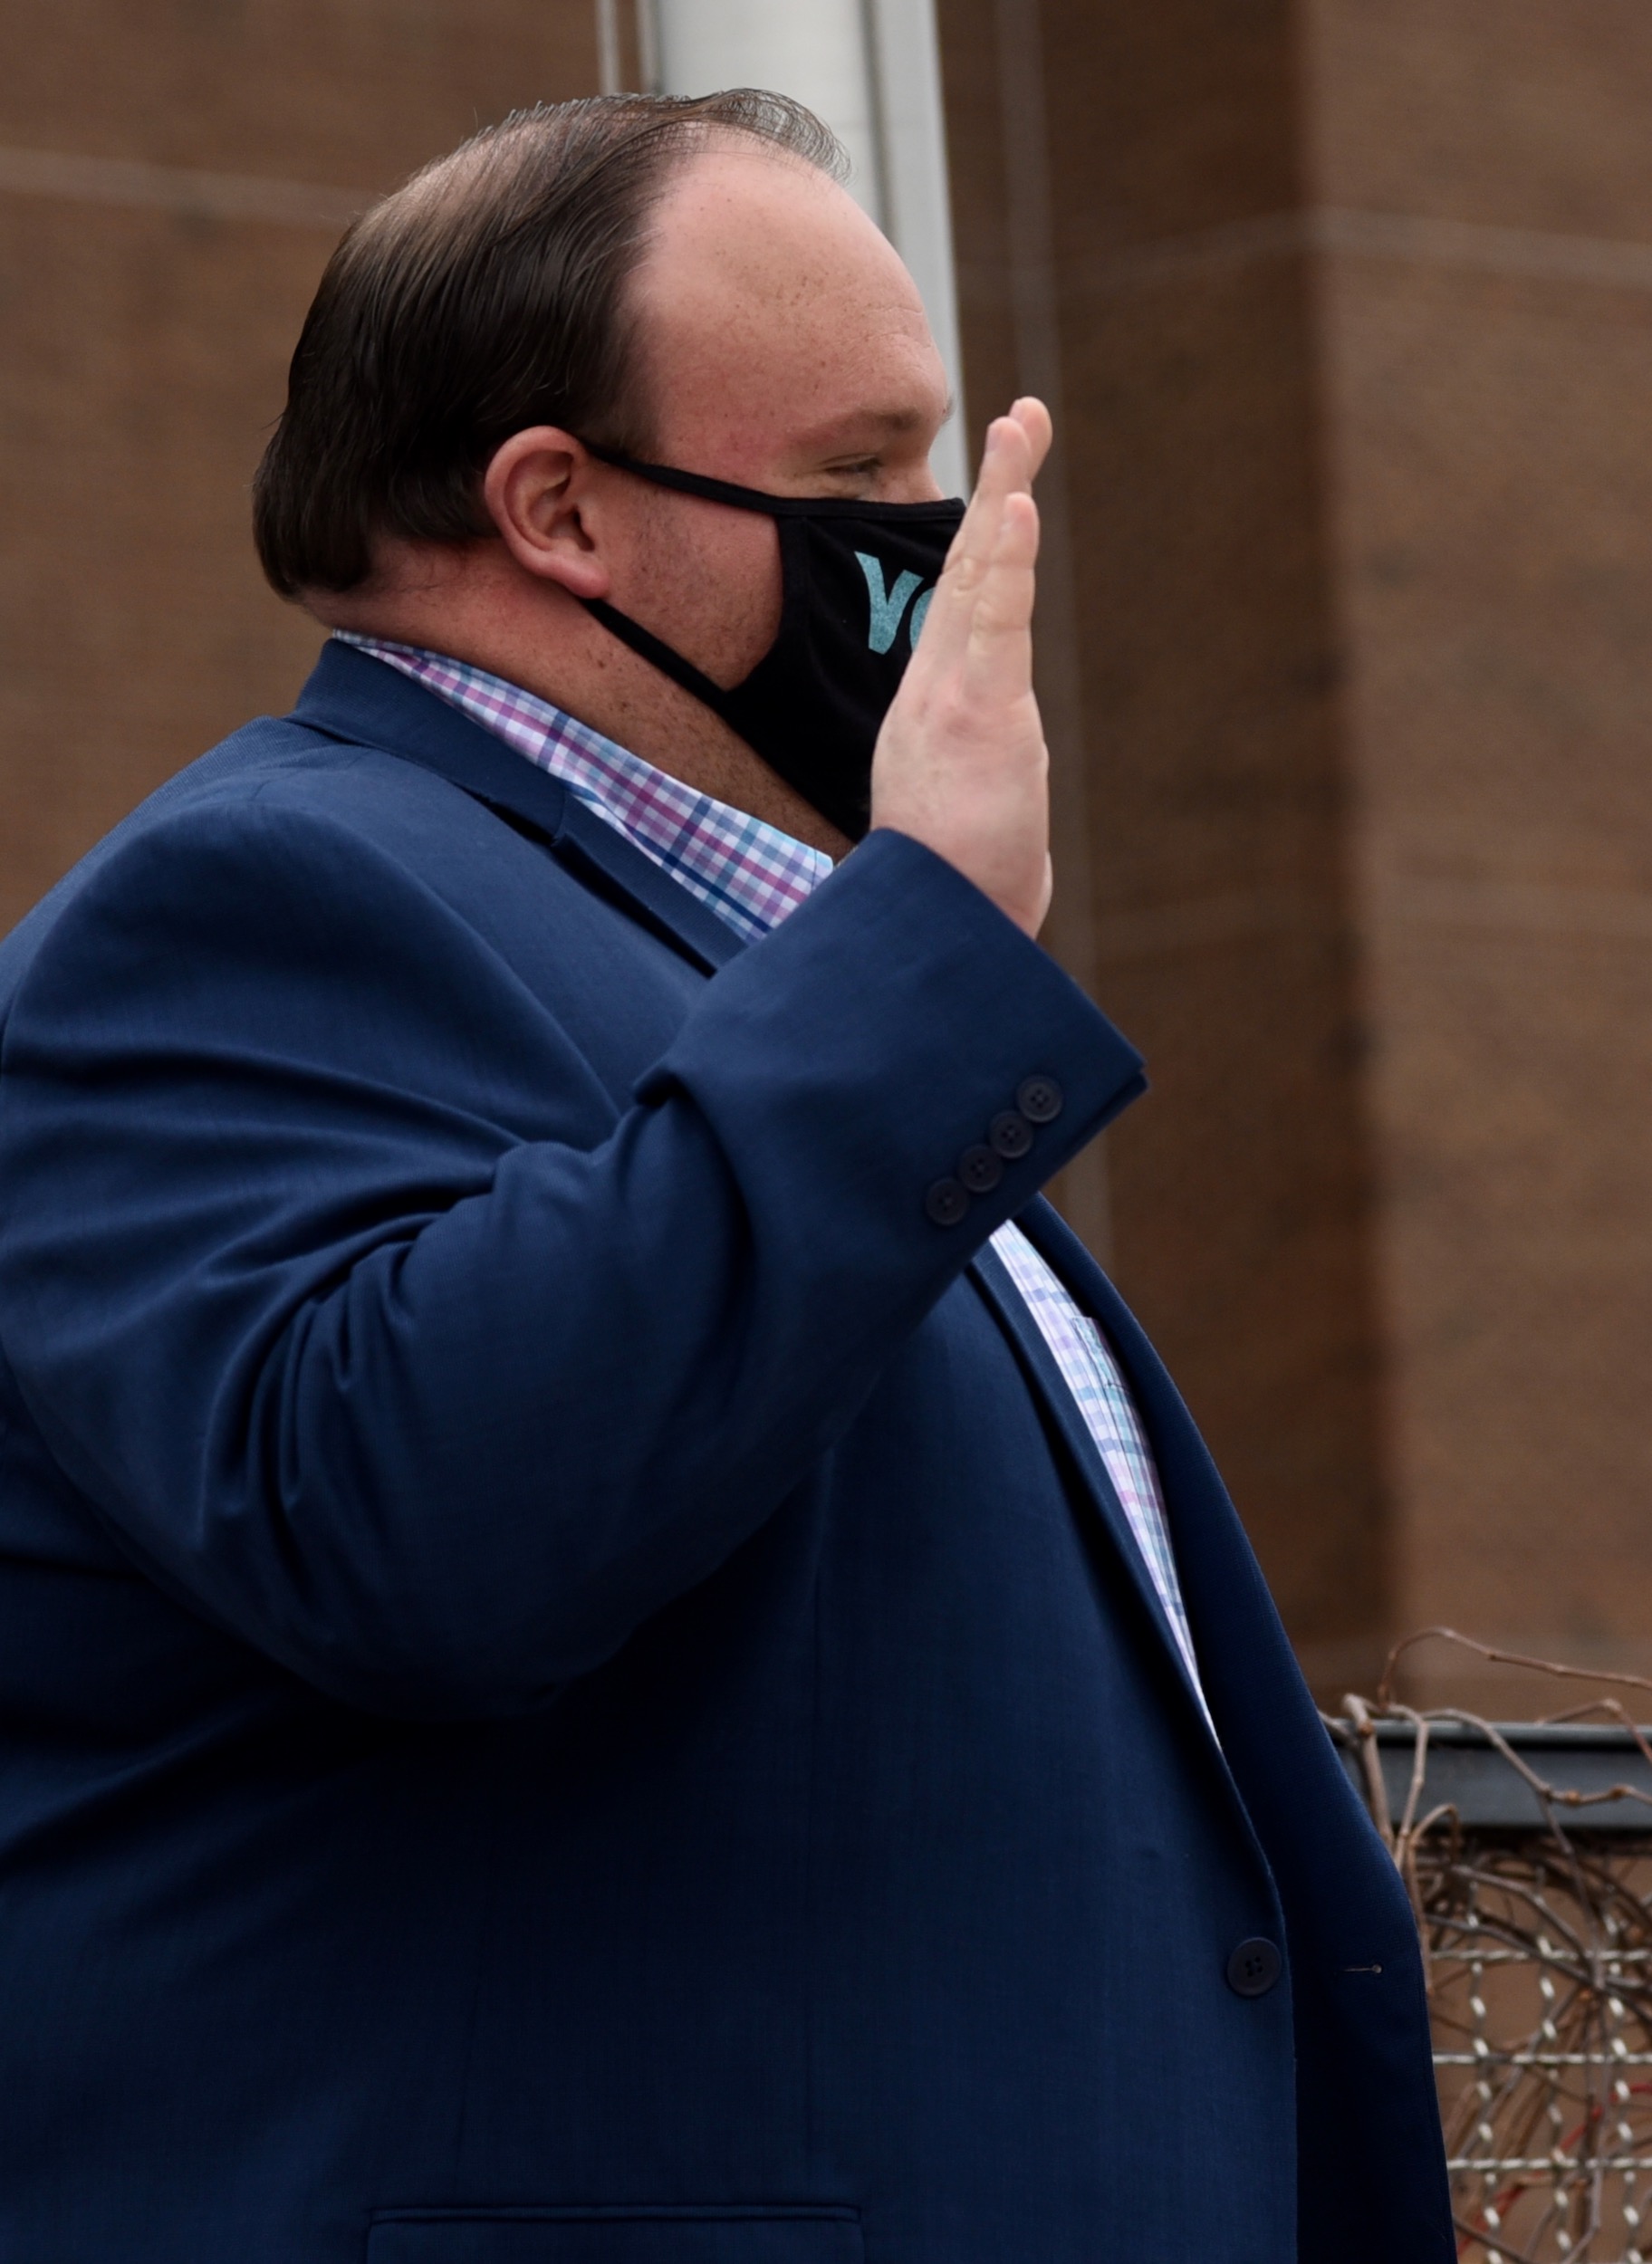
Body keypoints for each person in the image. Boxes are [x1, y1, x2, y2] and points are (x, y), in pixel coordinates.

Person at [0, 93, 1453, 2260]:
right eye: (861, 474)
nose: (935, 537)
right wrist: (928, 947)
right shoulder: (257, 897)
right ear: (559, 507)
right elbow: (421, 1513)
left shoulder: (754, 970)